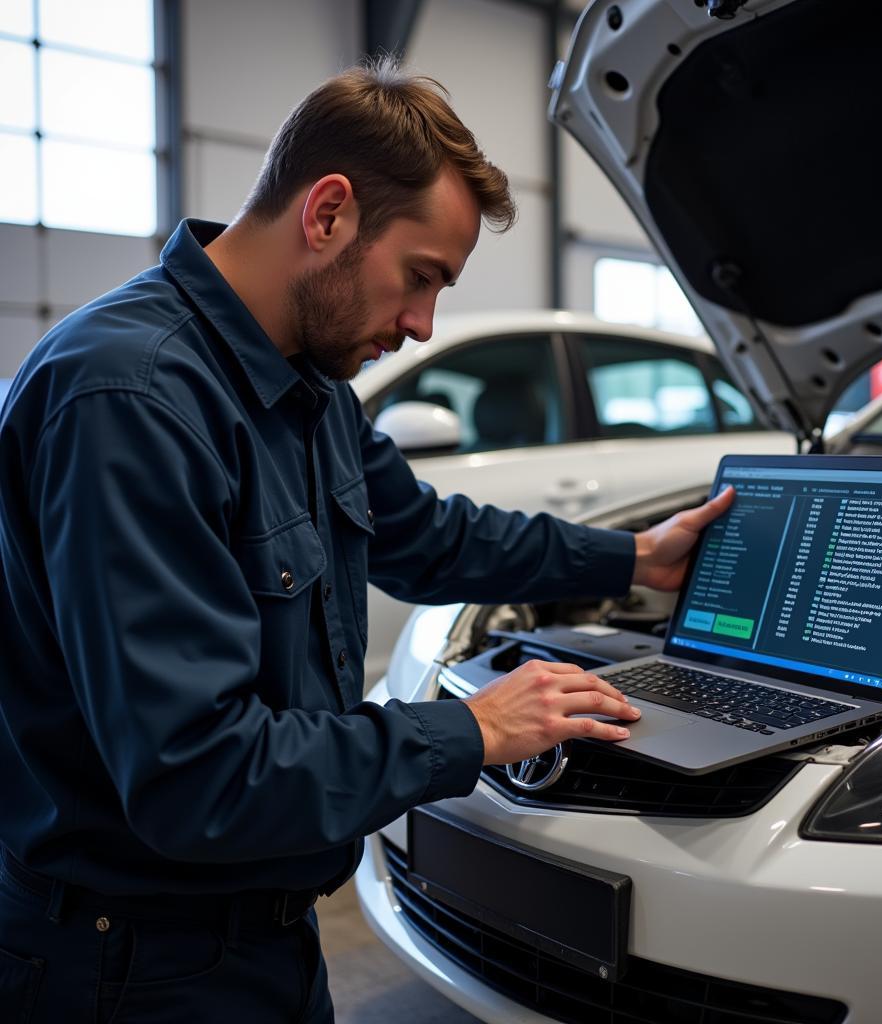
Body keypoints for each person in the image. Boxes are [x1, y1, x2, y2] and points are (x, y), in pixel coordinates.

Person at [0, 57, 734, 1022]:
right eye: (420, 278)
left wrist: (633, 557)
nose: (424, 325)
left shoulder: (306, 385)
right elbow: (197, 774)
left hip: (260, 931)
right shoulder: (131, 399)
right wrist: (471, 730)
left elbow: (427, 535)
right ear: (329, 213)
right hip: (130, 967)